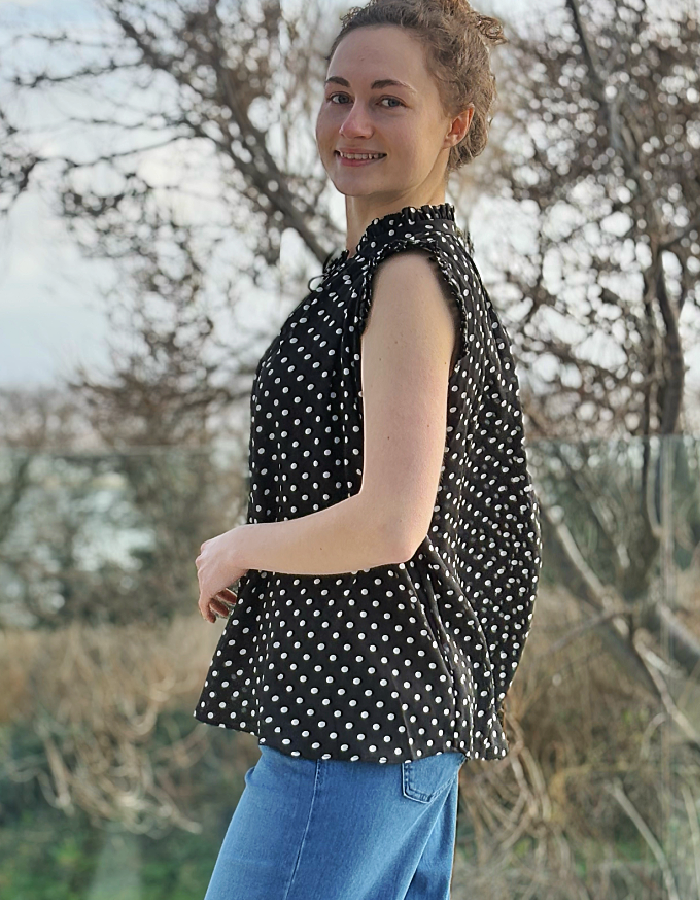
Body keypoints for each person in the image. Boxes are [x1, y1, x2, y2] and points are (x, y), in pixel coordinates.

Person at [193, 1, 543, 898]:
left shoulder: (408, 275)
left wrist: (240, 547)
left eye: (389, 101)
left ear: (452, 124)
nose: (352, 124)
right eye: (337, 95)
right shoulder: (385, 268)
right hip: (384, 723)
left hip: (353, 723)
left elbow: (392, 521)